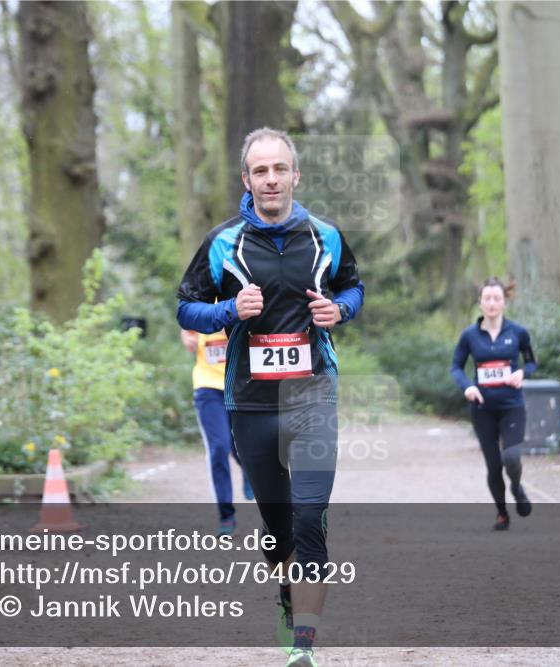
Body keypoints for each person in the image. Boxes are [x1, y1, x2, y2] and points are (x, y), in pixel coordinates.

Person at [176, 127, 364, 667]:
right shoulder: (222, 243)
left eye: (280, 168)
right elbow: (187, 307)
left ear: (295, 174)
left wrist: (341, 309)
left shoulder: (325, 236)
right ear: (247, 179)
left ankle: (303, 646)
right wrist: (229, 311)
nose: (272, 178)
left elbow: (352, 285)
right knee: (278, 528)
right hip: (251, 403)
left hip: (314, 397)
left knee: (310, 518)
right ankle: (287, 598)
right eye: (261, 171)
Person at [450, 277, 537, 531]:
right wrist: (468, 386)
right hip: (482, 409)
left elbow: (531, 362)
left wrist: (523, 373)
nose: (491, 303)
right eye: (487, 298)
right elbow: (456, 366)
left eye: (496, 298)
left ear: (504, 302)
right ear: (480, 303)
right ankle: (502, 513)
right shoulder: (469, 335)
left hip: (512, 406)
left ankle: (517, 488)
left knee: (511, 457)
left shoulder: (518, 333)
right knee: (494, 465)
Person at [179, 328, 255, 537]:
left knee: (241, 445)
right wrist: (188, 338)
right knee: (219, 448)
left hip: (241, 384)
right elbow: (187, 328)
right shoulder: (202, 297)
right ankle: (226, 515)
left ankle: (248, 469)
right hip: (208, 387)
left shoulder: (246, 295)